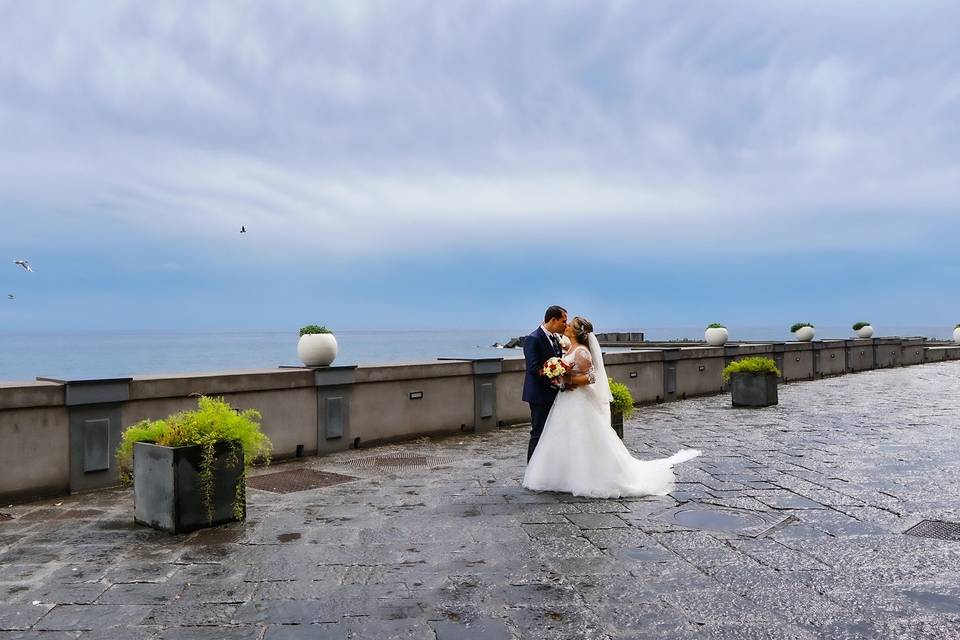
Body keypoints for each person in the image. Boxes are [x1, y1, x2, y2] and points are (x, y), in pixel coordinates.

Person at [523, 316, 701, 498]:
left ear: (576, 332)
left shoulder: (582, 352)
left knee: (582, 437)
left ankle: (587, 476)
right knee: (563, 436)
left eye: (570, 325)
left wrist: (568, 378)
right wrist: (560, 375)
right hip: (566, 399)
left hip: (578, 400)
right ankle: (561, 475)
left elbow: (592, 378)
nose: (566, 326)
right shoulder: (570, 347)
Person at [522, 305, 568, 462]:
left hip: (553, 393)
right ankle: (532, 470)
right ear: (553, 320)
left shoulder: (555, 338)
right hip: (539, 395)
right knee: (538, 433)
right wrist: (555, 372)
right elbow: (533, 368)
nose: (565, 325)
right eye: (563, 321)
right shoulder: (533, 339)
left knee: (551, 433)